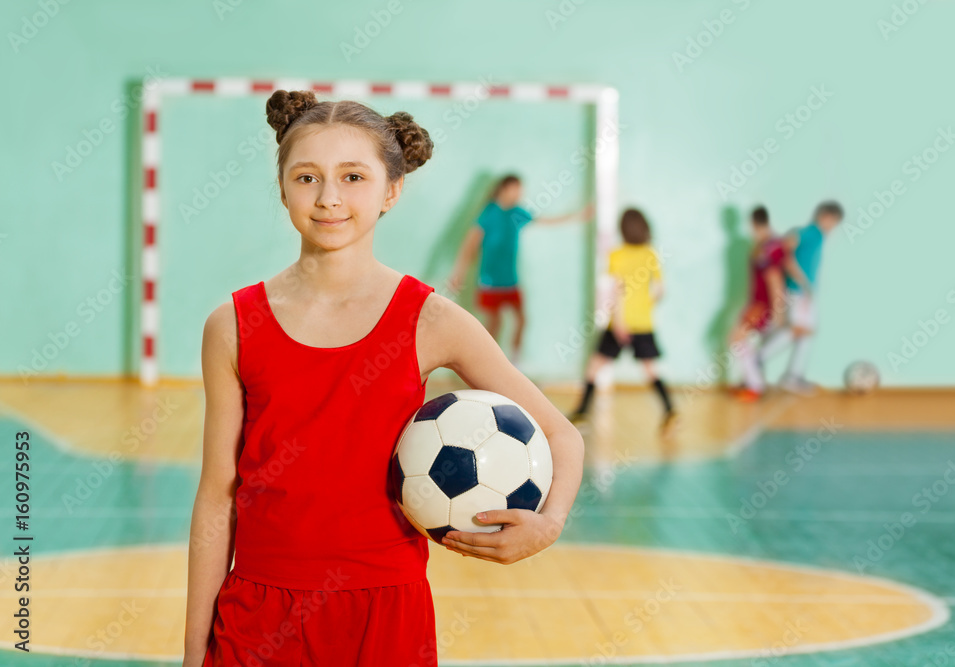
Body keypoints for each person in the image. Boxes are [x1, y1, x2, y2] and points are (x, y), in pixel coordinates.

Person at [183, 90, 585, 667]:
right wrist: (195, 649)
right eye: (306, 178)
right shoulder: (232, 325)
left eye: (352, 177)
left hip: (387, 613)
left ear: (391, 191)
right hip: (258, 612)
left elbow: (562, 435)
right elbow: (216, 496)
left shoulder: (431, 319)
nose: (328, 198)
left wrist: (547, 525)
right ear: (282, 186)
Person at [447, 174, 592, 367]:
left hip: (511, 280)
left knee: (522, 320)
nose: (519, 193)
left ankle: (513, 363)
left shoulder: (517, 213)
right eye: (516, 189)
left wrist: (578, 216)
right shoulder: (489, 213)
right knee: (494, 324)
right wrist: (459, 273)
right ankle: (484, 364)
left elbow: (547, 221)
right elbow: (470, 245)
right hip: (490, 280)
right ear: (504, 189)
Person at [566, 208, 675, 432]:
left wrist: (619, 322)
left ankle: (581, 413)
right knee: (651, 370)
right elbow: (661, 290)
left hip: (619, 322)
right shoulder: (650, 254)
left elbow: (617, 291)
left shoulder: (616, 255)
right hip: (643, 323)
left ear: (622, 230)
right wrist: (646, 306)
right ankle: (671, 413)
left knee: (594, 367)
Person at [757, 200, 844, 395]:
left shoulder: (818, 236)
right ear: (826, 216)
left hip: (803, 291)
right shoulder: (813, 232)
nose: (833, 226)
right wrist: (800, 278)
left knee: (806, 332)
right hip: (798, 290)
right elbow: (787, 244)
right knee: (799, 329)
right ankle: (760, 358)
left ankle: (793, 376)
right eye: (834, 221)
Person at [729, 205, 789, 402]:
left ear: (754, 224)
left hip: (761, 305)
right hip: (759, 303)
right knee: (741, 341)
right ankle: (751, 381)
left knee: (737, 339)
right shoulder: (772, 244)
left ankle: (754, 385)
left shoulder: (766, 249)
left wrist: (778, 310)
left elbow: (775, 279)